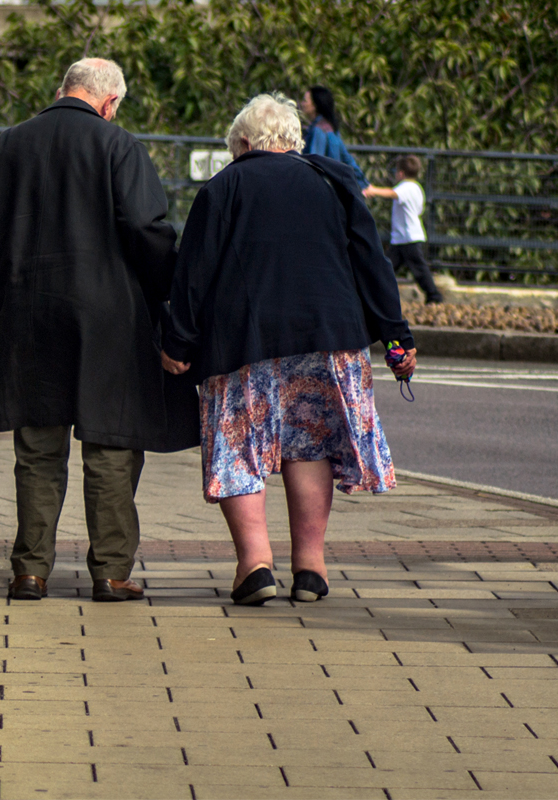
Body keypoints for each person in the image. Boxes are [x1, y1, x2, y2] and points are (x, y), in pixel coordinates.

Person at [0, 58, 198, 603]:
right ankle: (109, 572)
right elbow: (148, 230)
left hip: (26, 316)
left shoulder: (5, 146)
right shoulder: (119, 146)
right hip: (109, 321)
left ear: (63, 89)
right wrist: (163, 294)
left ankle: (29, 571)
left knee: (37, 446)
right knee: (110, 444)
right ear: (109, 103)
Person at [160, 93, 416, 606]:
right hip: (327, 338)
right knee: (311, 444)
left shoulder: (224, 186)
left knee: (237, 445)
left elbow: (193, 273)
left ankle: (255, 565)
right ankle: (310, 569)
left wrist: (178, 340)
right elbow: (372, 264)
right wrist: (397, 336)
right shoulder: (334, 181)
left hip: (242, 340)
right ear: (293, 142)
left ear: (246, 144)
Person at [364, 155, 444, 304]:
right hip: (402, 239)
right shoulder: (417, 188)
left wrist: (373, 190)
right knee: (387, 268)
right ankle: (375, 297)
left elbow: (392, 193)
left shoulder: (407, 187)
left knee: (419, 270)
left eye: (396, 172)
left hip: (409, 238)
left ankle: (434, 296)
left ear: (401, 173)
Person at [300, 85, 368, 190]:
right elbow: (347, 158)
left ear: (315, 105)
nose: (302, 104)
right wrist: (364, 184)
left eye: (305, 101)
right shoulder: (330, 128)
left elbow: (315, 163)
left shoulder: (318, 130)